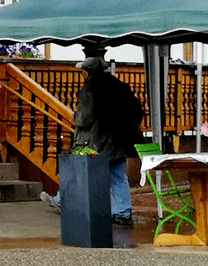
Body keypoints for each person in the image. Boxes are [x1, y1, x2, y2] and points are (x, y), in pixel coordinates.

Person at [43, 54, 143, 224]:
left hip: (96, 141)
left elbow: (84, 118)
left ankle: (62, 200)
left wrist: (74, 117)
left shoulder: (89, 89)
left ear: (87, 72)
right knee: (118, 174)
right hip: (120, 139)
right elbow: (137, 111)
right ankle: (123, 211)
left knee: (80, 170)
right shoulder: (120, 86)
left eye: (82, 71)